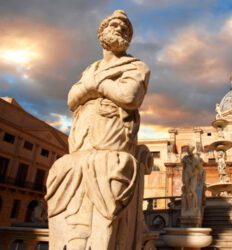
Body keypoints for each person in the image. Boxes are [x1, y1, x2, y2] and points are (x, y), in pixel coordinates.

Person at [46, 10, 150, 250]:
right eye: (114, 25)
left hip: (111, 143)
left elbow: (129, 96)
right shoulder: (89, 69)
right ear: (101, 32)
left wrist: (95, 86)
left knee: (110, 194)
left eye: (125, 29)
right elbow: (72, 99)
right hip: (81, 146)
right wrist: (101, 86)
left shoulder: (137, 67)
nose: (120, 29)